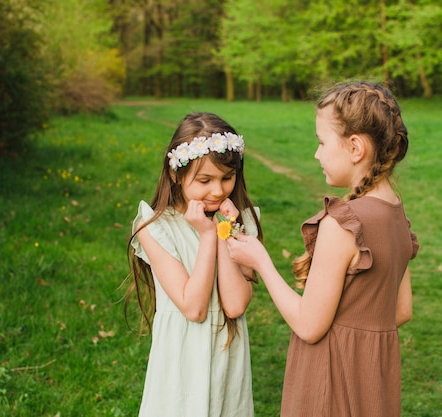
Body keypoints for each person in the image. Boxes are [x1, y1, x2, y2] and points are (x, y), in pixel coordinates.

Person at [226, 81, 419, 417]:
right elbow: (400, 311)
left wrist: (261, 261)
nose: (316, 154)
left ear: (355, 147)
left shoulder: (343, 225)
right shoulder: (396, 214)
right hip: (372, 384)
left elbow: (309, 326)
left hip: (329, 384)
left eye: (321, 142)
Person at [126, 112, 263, 417]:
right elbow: (194, 307)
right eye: (205, 180)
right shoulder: (155, 227)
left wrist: (224, 229)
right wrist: (206, 236)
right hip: (180, 358)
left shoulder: (240, 221)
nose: (218, 191)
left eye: (227, 178)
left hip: (227, 358)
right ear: (176, 174)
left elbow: (236, 304)